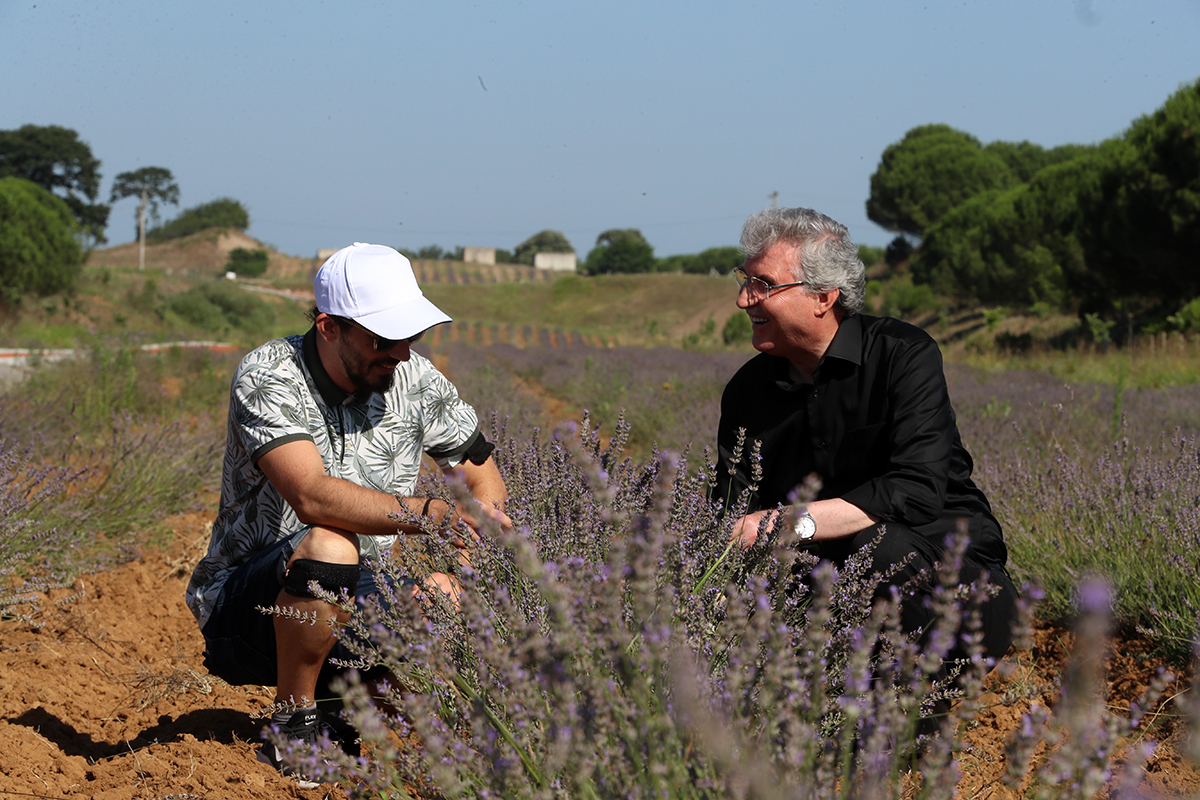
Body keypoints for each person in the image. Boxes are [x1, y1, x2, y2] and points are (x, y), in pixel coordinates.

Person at [186, 242, 510, 786]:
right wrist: (431, 514)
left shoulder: (418, 381)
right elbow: (311, 496)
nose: (401, 352)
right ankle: (294, 724)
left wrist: (477, 528)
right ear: (328, 326)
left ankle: (381, 733)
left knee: (442, 594)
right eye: (383, 338)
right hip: (251, 611)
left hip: (353, 600)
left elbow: (482, 474)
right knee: (330, 543)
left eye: (411, 335)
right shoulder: (269, 375)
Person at [714, 207, 1018, 678]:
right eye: (744, 280)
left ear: (823, 297)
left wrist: (792, 523)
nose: (743, 300)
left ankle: (910, 719)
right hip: (830, 594)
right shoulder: (747, 393)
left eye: (764, 285)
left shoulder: (902, 356)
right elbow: (732, 511)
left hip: (953, 588)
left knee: (882, 547)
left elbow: (915, 489)